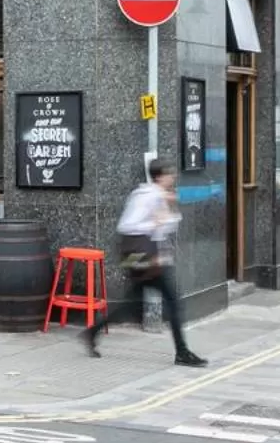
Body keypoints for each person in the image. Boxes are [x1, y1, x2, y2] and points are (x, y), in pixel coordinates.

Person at [85, 157, 205, 366]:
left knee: (132, 305)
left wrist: (166, 213)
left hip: (146, 260)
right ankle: (182, 352)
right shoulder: (150, 196)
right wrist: (160, 219)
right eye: (169, 174)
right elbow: (131, 225)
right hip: (151, 260)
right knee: (174, 304)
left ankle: (93, 332)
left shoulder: (151, 195)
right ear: (159, 176)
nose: (173, 177)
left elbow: (161, 226)